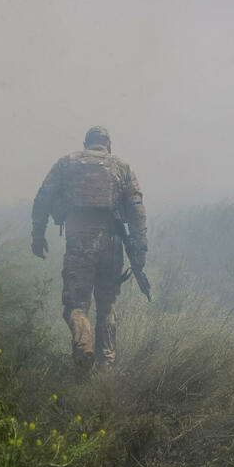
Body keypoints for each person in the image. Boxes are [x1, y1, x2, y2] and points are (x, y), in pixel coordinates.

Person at [31, 126, 148, 379]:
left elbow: (43, 198)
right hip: (113, 243)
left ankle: (83, 348)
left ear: (86, 143)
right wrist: (139, 252)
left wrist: (38, 235)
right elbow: (137, 211)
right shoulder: (122, 167)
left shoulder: (67, 163)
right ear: (108, 144)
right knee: (107, 305)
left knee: (76, 305)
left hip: (80, 241)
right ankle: (106, 366)